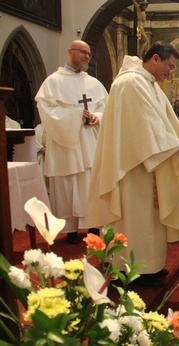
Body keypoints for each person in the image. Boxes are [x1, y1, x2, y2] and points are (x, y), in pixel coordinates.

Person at [87, 42, 179, 287]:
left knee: (149, 220)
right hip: (131, 166)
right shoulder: (130, 83)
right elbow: (146, 128)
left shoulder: (148, 83)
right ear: (154, 59)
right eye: (169, 66)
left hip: (148, 162)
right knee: (135, 220)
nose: (170, 73)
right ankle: (129, 272)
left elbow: (166, 120)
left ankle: (151, 265)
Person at [35, 40, 108, 244]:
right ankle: (71, 231)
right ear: (70, 52)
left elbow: (106, 107)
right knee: (67, 185)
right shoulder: (53, 82)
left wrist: (97, 117)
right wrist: (76, 115)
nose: (86, 56)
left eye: (88, 54)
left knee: (90, 183)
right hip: (65, 144)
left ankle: (93, 224)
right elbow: (46, 111)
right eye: (82, 52)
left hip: (89, 142)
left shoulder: (94, 83)